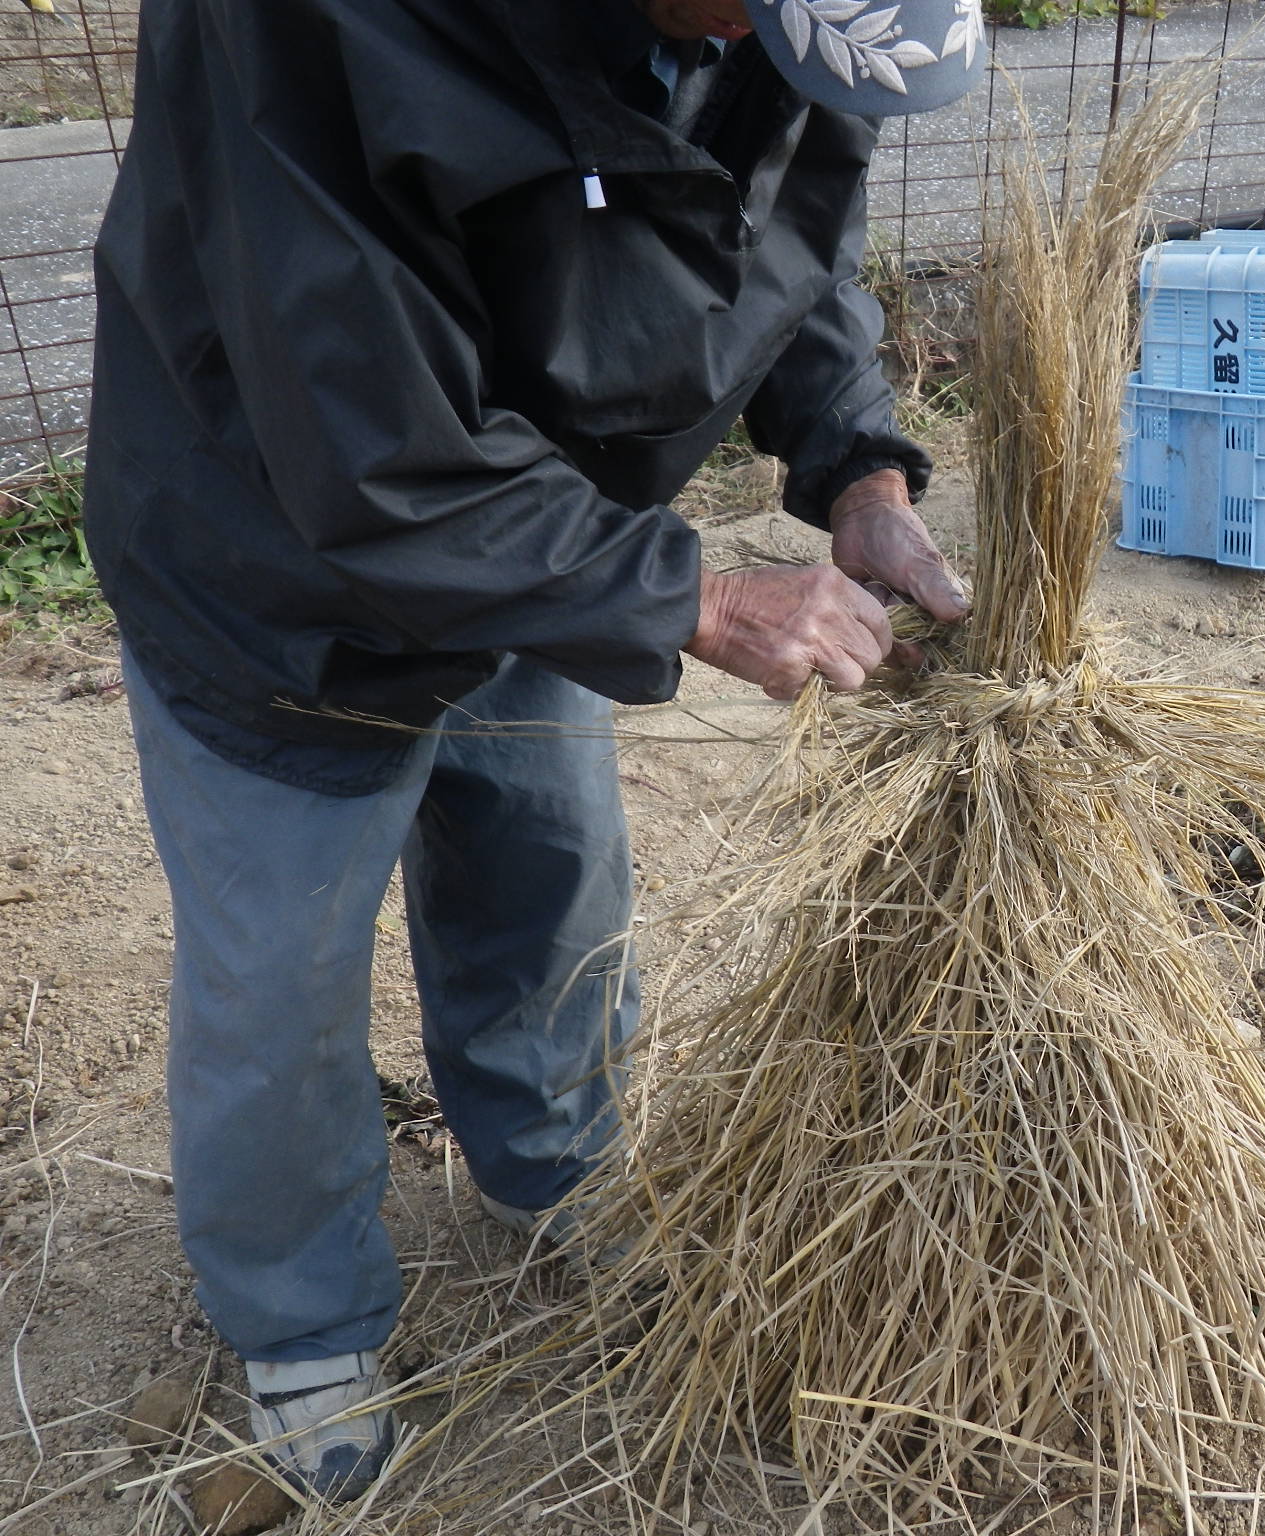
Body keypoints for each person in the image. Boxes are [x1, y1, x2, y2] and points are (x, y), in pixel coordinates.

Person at [83, 0, 983, 1503]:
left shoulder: (780, 31)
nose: (757, 50)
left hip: (546, 528)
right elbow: (367, 440)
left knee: (549, 876)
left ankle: (554, 1167)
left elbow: (788, 230)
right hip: (275, 560)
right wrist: (698, 599)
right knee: (281, 980)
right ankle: (302, 1320)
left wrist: (858, 466)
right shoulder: (308, 31)